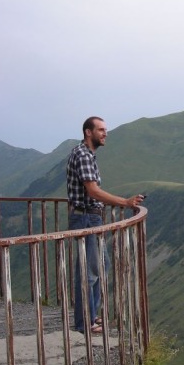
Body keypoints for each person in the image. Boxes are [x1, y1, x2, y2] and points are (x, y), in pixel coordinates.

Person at [66, 116, 144, 334]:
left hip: (90, 216)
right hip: (85, 217)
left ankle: (91, 315)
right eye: (100, 130)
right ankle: (85, 323)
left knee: (101, 267)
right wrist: (125, 202)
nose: (105, 133)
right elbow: (93, 191)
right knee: (89, 271)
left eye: (105, 130)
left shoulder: (88, 154)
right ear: (88, 132)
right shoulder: (83, 155)